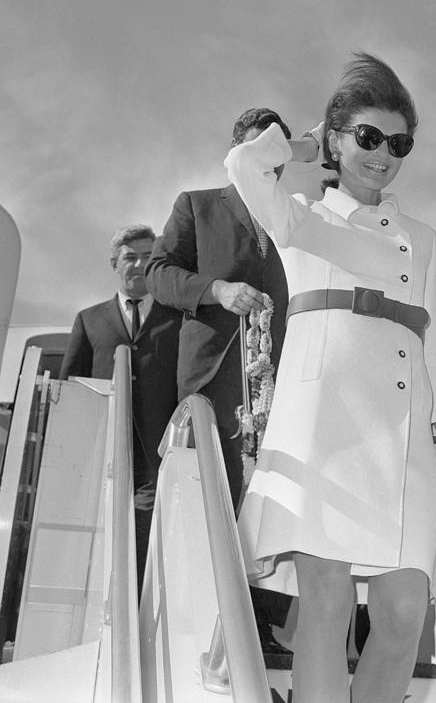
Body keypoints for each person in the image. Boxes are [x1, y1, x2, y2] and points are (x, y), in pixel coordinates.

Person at [225, 53, 436, 703]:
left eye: (398, 143)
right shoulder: (302, 217)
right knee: (328, 603)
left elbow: (433, 345)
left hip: (400, 440)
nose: (384, 154)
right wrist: (307, 143)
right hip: (324, 428)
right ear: (337, 139)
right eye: (367, 137)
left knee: (402, 614)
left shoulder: (422, 240)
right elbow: (243, 165)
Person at [144, 107, 293, 643]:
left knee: (272, 504)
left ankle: (262, 631)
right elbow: (158, 272)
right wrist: (217, 291)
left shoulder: (294, 218)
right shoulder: (197, 205)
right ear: (235, 154)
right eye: (257, 151)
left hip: (287, 386)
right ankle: (209, 625)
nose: (267, 165)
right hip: (216, 379)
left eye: (277, 155)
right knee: (221, 499)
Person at [60, 224, 182, 593]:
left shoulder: (178, 318)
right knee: (99, 538)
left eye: (149, 256)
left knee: (146, 536)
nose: (140, 264)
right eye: (131, 257)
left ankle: (140, 613)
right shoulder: (89, 319)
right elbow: (70, 385)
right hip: (103, 451)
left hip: (156, 454)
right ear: (115, 262)